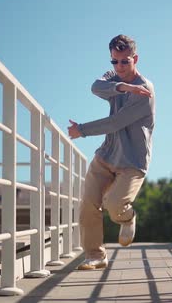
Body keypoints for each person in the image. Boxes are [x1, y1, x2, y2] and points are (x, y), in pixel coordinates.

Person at [67, 34, 156, 270]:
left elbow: (115, 123)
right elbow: (96, 86)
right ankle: (95, 255)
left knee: (115, 206)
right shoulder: (114, 78)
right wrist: (121, 86)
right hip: (106, 155)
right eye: (114, 62)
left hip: (132, 161)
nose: (119, 67)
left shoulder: (145, 91)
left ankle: (127, 218)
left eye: (125, 61)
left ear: (135, 58)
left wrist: (81, 131)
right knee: (88, 204)